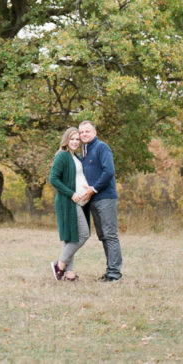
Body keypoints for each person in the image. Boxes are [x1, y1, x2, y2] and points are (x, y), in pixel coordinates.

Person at [78, 119, 123, 282]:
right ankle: (110, 271)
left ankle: (114, 274)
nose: (84, 134)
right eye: (81, 132)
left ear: (95, 132)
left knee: (110, 235)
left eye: (87, 131)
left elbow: (109, 171)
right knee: (103, 235)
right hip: (92, 200)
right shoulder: (84, 152)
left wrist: (94, 188)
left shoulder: (101, 147)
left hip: (105, 198)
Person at [48, 127, 92, 282]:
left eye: (77, 139)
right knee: (83, 234)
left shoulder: (76, 157)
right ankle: (59, 264)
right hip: (68, 201)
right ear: (66, 140)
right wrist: (71, 194)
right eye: (72, 139)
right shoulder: (62, 156)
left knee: (71, 237)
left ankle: (69, 273)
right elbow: (53, 179)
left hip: (79, 202)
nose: (75, 142)